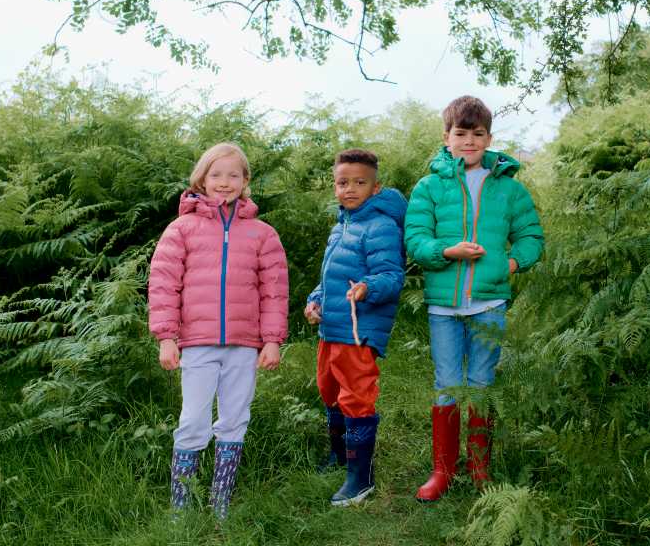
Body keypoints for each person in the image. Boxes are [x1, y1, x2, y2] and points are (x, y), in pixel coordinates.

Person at [405, 96, 544, 502]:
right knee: (447, 383)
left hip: (488, 303)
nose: (469, 141)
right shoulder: (429, 187)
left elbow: (531, 237)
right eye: (460, 133)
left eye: (477, 134)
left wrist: (510, 265)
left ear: (489, 137)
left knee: (482, 384)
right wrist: (446, 252)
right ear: (446, 137)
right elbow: (415, 239)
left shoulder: (509, 189)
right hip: (443, 306)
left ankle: (480, 466)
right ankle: (442, 471)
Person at [148, 142, 288, 519]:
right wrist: (166, 337)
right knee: (193, 420)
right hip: (196, 343)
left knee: (234, 419)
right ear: (201, 179)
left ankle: (220, 502)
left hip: (245, 345)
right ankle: (182, 505)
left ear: (245, 181)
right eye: (216, 175)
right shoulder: (182, 229)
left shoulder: (262, 234)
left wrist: (272, 341)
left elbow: (274, 291)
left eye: (233, 175)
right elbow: (164, 284)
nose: (224, 182)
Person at [305, 148, 407, 506]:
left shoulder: (380, 226)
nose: (350, 189)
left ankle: (359, 477)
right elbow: (329, 278)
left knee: (355, 396)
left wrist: (367, 288)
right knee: (329, 390)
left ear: (375, 187)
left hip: (358, 329)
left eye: (359, 182)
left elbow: (392, 277)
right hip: (331, 327)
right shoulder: (340, 225)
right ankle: (339, 455)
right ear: (334, 186)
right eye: (342, 182)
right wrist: (313, 301)